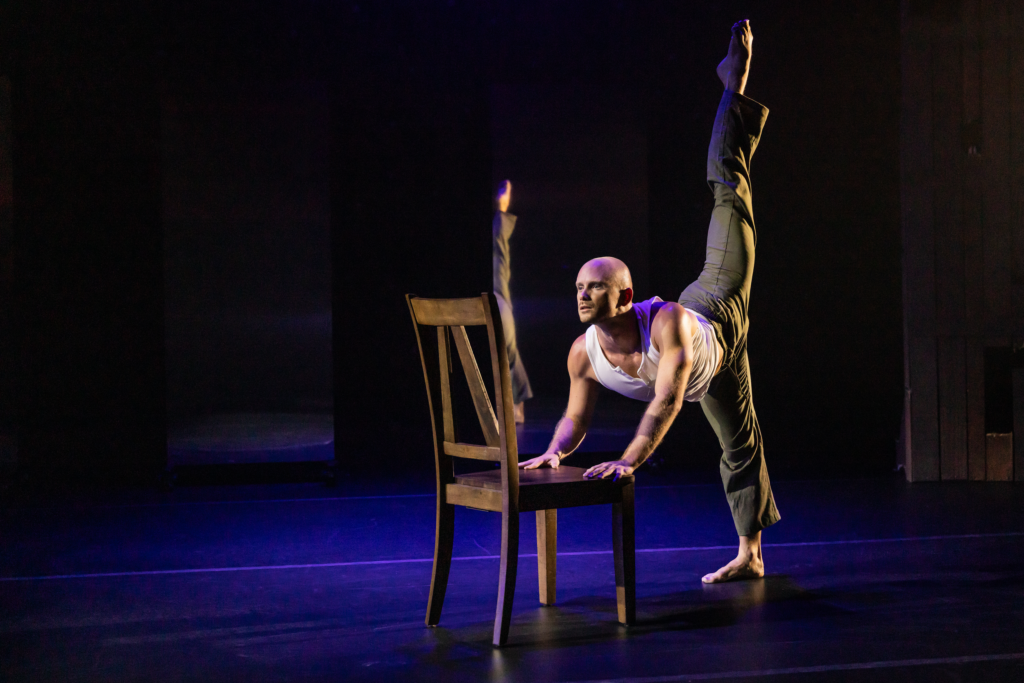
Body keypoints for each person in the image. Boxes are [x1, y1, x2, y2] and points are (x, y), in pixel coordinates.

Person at [518, 19, 780, 584]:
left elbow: (663, 404)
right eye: (579, 288)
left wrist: (630, 458)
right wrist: (557, 452)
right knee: (741, 442)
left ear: (626, 295)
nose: (583, 295)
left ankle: (733, 85)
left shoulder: (671, 326)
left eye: (595, 288)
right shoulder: (581, 353)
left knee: (727, 196)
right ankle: (751, 554)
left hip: (715, 306)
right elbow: (575, 417)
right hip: (718, 370)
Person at [493, 180, 533, 422]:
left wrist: (502, 207)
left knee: (507, 346)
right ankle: (515, 402)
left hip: (498, 296)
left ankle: (517, 402)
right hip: (489, 297)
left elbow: (499, 240)